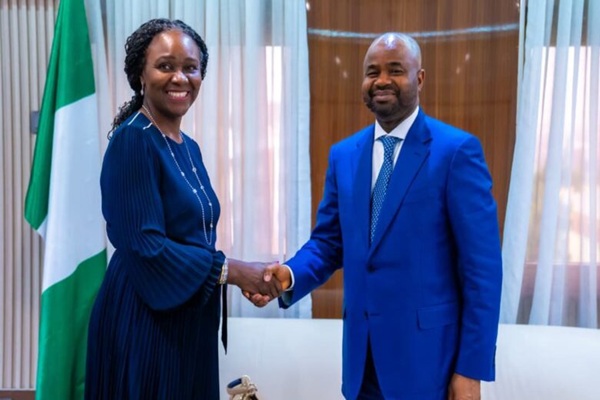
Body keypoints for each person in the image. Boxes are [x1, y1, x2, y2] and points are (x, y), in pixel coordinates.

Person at [256, 32, 503, 400]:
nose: (382, 80)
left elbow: (483, 271)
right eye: (372, 72)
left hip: (428, 368)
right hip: (361, 366)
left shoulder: (456, 152)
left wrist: (470, 370)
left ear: (420, 78)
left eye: (396, 70)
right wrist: (289, 275)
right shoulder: (344, 155)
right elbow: (328, 243)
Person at [85, 18, 281, 400]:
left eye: (191, 67)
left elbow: (195, 236)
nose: (180, 78)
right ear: (140, 74)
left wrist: (236, 276)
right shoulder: (133, 141)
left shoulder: (188, 146)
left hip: (187, 317)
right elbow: (147, 247)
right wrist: (234, 271)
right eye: (165, 66)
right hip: (144, 321)